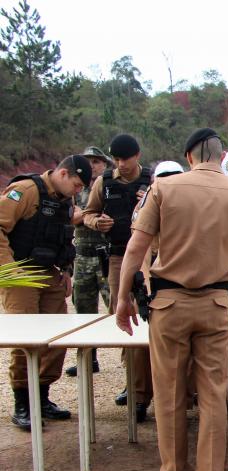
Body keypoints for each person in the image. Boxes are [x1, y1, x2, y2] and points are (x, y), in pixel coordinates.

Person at [116, 128, 228, 471]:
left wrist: (121, 299)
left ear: (190, 156)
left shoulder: (165, 190)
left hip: (168, 304)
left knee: (169, 393)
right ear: (220, 156)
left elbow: (137, 246)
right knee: (214, 395)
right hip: (217, 302)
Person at [1, 155, 92, 430]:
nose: (78, 191)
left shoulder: (66, 200)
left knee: (56, 339)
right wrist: (8, 269)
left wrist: (65, 270)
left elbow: (64, 237)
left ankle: (42, 398)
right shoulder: (25, 191)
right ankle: (22, 404)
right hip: (21, 274)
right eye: (76, 185)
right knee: (26, 340)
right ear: (63, 174)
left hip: (50, 273)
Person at [81, 134, 153, 421]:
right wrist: (96, 222)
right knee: (124, 316)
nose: (122, 164)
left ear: (138, 156)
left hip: (148, 257)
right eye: (117, 159)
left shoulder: (152, 181)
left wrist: (149, 201)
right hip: (117, 257)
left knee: (150, 314)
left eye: (126, 158)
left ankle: (144, 385)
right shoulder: (104, 183)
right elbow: (87, 213)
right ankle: (134, 383)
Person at [64, 146, 112, 378]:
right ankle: (87, 359)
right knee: (83, 309)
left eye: (97, 161)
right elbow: (71, 218)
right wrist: (91, 214)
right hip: (83, 254)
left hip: (106, 255)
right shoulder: (75, 189)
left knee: (116, 305)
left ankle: (129, 358)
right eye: (89, 161)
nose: (93, 165)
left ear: (105, 164)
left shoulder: (110, 187)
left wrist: (83, 214)